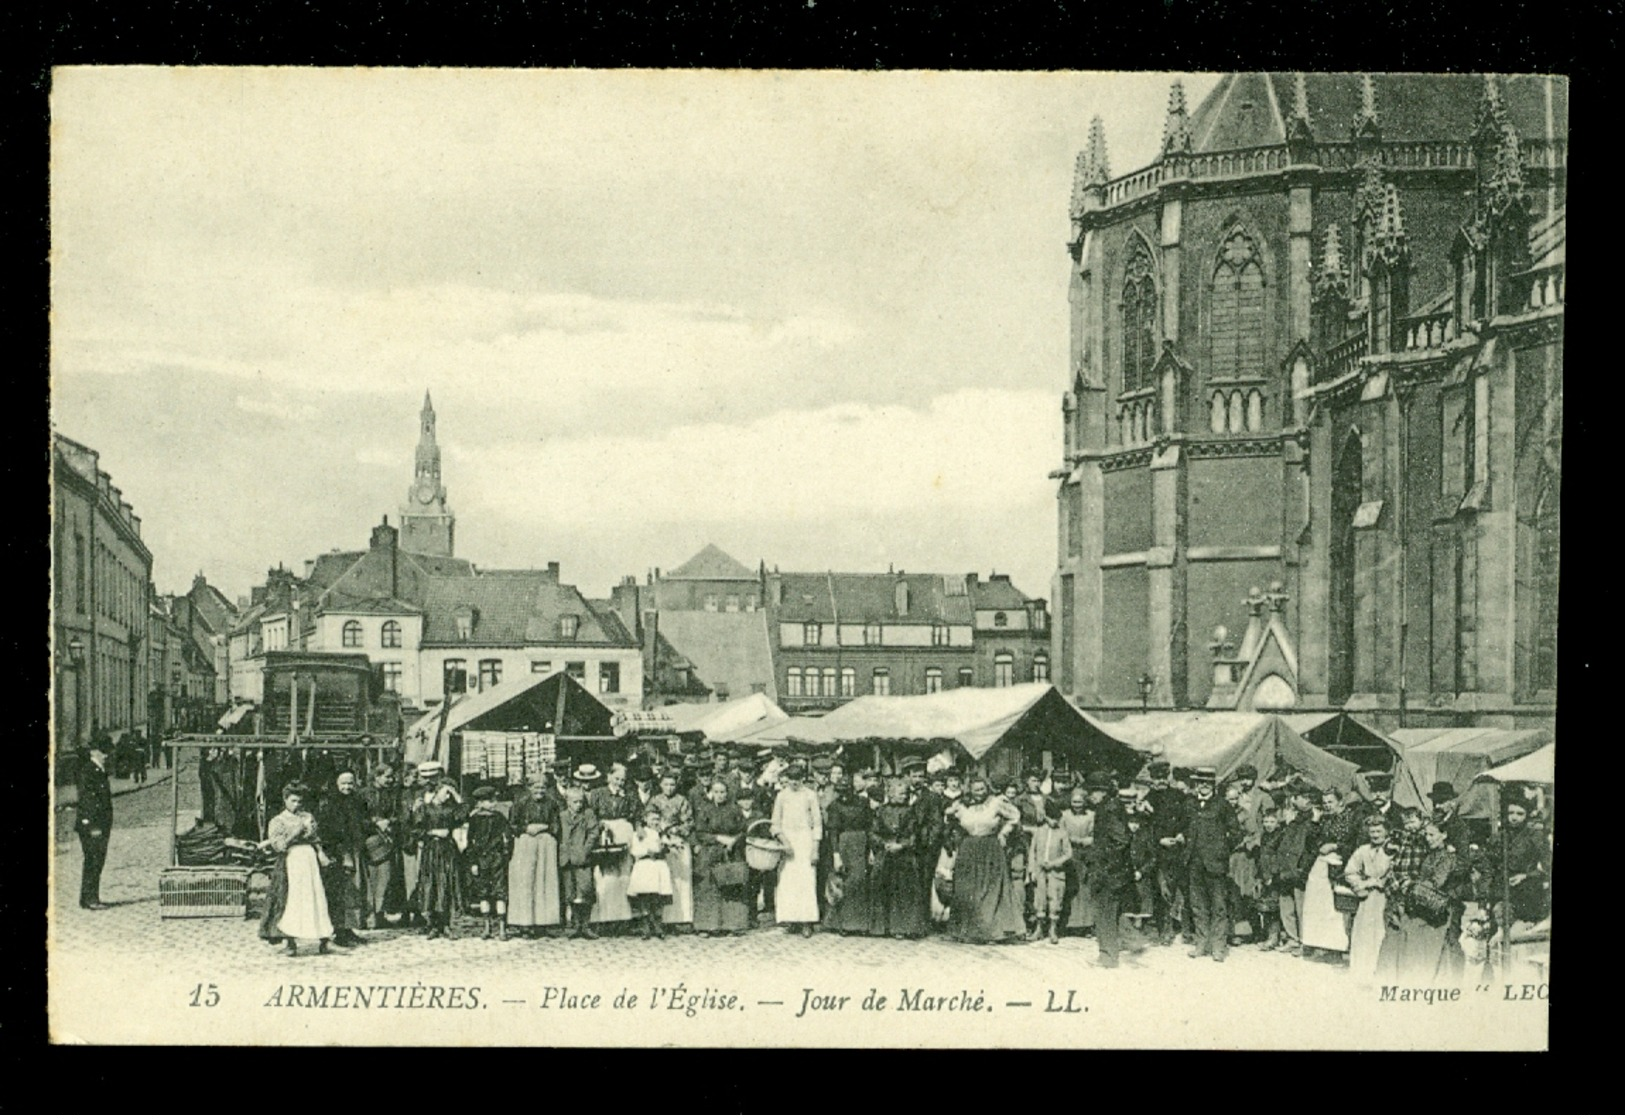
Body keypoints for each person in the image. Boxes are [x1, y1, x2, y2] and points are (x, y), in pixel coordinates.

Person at [1379, 816, 1467, 983]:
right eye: (1426, 835)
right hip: (1424, 902)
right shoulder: (1430, 854)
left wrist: (1411, 885)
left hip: (1438, 906)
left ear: (1444, 835)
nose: (1428, 838)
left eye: (1432, 835)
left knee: (1418, 937)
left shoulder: (1447, 857)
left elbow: (1436, 882)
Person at [944, 777, 1025, 944]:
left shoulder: (996, 802)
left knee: (990, 890)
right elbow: (948, 817)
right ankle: (967, 931)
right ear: (970, 790)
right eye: (976, 789)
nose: (979, 793)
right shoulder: (961, 805)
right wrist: (955, 832)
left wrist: (1004, 832)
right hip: (968, 848)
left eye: (982, 789)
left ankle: (992, 932)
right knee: (968, 890)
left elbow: (1015, 815)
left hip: (990, 847)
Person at [265, 782, 334, 956]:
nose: (297, 805)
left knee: (317, 896)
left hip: (309, 860)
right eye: (293, 801)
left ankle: (324, 940)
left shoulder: (307, 816)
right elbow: (279, 846)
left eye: (299, 802)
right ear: (285, 800)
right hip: (291, 860)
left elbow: (315, 838)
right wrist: (295, 833)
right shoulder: (278, 821)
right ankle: (290, 942)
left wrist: (320, 852)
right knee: (292, 899)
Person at [1186, 767, 1240, 962]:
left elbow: (1235, 833)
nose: (1204, 785)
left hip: (1215, 864)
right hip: (1194, 863)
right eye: (1201, 782)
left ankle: (1218, 947)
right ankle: (1201, 944)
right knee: (1198, 906)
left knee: (1218, 906)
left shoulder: (1223, 805)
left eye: (1207, 782)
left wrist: (1222, 851)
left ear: (1213, 785)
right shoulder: (1190, 803)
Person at [315, 770, 370, 948]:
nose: (347, 787)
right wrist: (342, 853)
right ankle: (339, 931)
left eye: (350, 783)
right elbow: (328, 832)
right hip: (339, 855)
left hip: (355, 851)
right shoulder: (330, 805)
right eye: (343, 783)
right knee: (340, 892)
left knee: (355, 891)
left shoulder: (358, 802)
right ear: (336, 785)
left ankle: (349, 929)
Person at [409, 766, 465, 940]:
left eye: (447, 792)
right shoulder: (425, 808)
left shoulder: (451, 809)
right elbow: (415, 829)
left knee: (447, 883)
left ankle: (446, 924)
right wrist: (431, 833)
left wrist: (456, 796)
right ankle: (432, 924)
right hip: (431, 849)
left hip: (447, 848)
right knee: (430, 884)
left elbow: (463, 815)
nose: (445, 795)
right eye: (443, 792)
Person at [1300, 788, 1355, 960]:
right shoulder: (1324, 819)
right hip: (1320, 865)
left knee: (1334, 908)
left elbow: (1353, 843)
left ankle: (1335, 948)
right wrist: (1315, 820)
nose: (1327, 806)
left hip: (1337, 865)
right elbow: (1311, 842)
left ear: (1340, 801)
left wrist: (1335, 846)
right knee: (1317, 905)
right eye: (1325, 803)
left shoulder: (1350, 818)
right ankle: (1318, 944)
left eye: (1331, 802)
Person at [869, 777, 927, 939]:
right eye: (901, 793)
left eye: (906, 793)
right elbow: (873, 832)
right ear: (891, 794)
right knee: (883, 888)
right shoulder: (881, 811)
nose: (904, 796)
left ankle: (903, 927)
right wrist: (883, 843)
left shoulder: (911, 811)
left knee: (904, 891)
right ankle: (883, 927)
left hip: (905, 856)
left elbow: (915, 833)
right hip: (885, 854)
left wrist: (902, 845)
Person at [770, 761, 823, 938]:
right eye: (791, 779)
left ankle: (807, 921)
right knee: (788, 881)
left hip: (805, 841)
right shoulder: (781, 796)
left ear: (803, 779)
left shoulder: (810, 795)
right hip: (787, 842)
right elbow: (775, 823)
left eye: (797, 779)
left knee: (806, 881)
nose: (794, 782)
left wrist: (815, 848)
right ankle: (791, 919)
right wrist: (784, 842)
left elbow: (817, 823)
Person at [692, 778, 751, 936]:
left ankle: (733, 925)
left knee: (732, 887)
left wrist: (733, 840)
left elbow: (743, 830)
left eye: (722, 792)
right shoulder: (705, 809)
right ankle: (707, 926)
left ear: (727, 793)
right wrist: (717, 838)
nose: (719, 795)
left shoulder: (734, 810)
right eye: (716, 792)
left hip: (731, 853)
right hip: (710, 853)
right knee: (708, 888)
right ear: (711, 793)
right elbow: (700, 832)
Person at [1085, 772, 1132, 967]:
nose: (1090, 796)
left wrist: (1105, 864)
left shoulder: (1109, 809)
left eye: (1092, 792)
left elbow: (1121, 839)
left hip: (1109, 872)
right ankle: (1109, 953)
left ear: (1101, 792)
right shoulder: (1110, 806)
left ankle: (1108, 957)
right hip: (1111, 871)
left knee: (1105, 914)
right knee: (1108, 914)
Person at [508, 773, 562, 937]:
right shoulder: (520, 804)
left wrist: (546, 828)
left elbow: (556, 824)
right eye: (536, 787)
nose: (540, 790)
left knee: (544, 881)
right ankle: (525, 924)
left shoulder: (552, 803)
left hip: (546, 844)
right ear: (529, 788)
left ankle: (543, 923)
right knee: (526, 881)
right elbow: (512, 825)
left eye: (543, 787)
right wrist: (526, 829)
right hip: (526, 843)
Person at [821, 772, 874, 934]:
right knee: (843, 883)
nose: (843, 795)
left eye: (846, 791)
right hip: (844, 844)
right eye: (840, 791)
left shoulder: (863, 803)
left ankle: (860, 924)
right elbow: (833, 832)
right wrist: (836, 855)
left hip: (861, 843)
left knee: (860, 882)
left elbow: (870, 826)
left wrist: (871, 850)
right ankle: (841, 924)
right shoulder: (835, 806)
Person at [588, 762, 638, 931]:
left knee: (624, 875)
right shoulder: (597, 794)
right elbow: (590, 816)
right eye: (616, 778)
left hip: (625, 834)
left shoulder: (630, 795)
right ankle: (603, 918)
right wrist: (601, 824)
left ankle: (622, 918)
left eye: (622, 780)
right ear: (608, 777)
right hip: (605, 835)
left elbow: (636, 815)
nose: (619, 783)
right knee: (605, 876)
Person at [1142, 761, 1188, 945]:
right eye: (1156, 778)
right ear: (1152, 779)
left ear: (1168, 776)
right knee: (1161, 891)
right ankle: (1164, 929)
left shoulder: (1178, 796)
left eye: (1163, 777)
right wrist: (1159, 840)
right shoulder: (1148, 798)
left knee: (1180, 889)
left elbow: (1186, 818)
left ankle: (1184, 929)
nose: (1160, 781)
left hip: (1178, 850)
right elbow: (1146, 829)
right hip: (1158, 852)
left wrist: (1181, 834)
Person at [1228, 764, 1275, 946]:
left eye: (1248, 778)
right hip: (1236, 852)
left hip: (1254, 851)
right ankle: (1238, 931)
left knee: (1252, 891)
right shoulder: (1234, 797)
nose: (1244, 782)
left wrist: (1255, 841)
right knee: (1235, 890)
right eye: (1242, 778)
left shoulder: (1264, 797)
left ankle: (1258, 931)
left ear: (1254, 779)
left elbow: (1269, 824)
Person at [1344, 816, 1394, 982]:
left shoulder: (1393, 849)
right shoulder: (1363, 850)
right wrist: (1359, 885)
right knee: (1363, 932)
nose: (1375, 835)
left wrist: (1380, 882)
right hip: (1367, 898)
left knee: (1381, 932)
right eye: (1372, 831)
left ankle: (1380, 972)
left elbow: (1396, 870)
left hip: (1385, 895)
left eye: (1379, 831)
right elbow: (1350, 871)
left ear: (1386, 831)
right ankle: (1361, 972)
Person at [1272, 782, 1320, 955]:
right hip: (1286, 868)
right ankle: (1293, 938)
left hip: (1300, 870)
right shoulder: (1295, 819)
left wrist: (1302, 869)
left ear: (1307, 799)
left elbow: (1312, 846)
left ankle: (1305, 942)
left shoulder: (1314, 819)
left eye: (1296, 797)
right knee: (1287, 906)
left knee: (1302, 909)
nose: (1293, 800)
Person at [463, 786, 513, 940]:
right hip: (481, 859)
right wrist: (473, 863)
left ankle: (502, 928)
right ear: (480, 802)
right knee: (483, 893)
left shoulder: (499, 818)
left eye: (494, 800)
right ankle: (487, 927)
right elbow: (470, 842)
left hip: (497, 859)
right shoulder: (474, 819)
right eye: (489, 801)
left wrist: (505, 855)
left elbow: (508, 837)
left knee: (500, 893)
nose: (493, 803)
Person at [647, 772, 694, 929]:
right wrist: (660, 830)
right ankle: (664, 919)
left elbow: (688, 822)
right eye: (666, 784)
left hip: (679, 840)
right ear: (660, 785)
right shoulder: (654, 800)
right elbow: (648, 818)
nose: (669, 788)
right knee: (666, 879)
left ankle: (683, 918)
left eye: (672, 784)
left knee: (682, 879)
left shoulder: (682, 800)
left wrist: (675, 830)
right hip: (662, 841)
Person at [360, 766, 403, 927]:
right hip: (369, 842)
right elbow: (359, 817)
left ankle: (379, 915)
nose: (390, 780)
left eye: (391, 777)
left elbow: (399, 815)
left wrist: (389, 822)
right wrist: (375, 822)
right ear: (376, 777)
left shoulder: (392, 794)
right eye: (387, 777)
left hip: (387, 841)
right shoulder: (363, 794)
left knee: (384, 879)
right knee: (370, 880)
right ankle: (368, 916)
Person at [1027, 797, 1073, 944]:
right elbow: (1032, 852)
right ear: (1046, 817)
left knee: (1055, 899)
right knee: (1039, 899)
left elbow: (1068, 854)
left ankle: (1053, 930)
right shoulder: (1039, 831)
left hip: (1056, 871)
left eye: (1056, 818)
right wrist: (1032, 870)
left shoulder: (1062, 833)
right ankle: (1039, 929)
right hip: (1040, 871)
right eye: (1051, 818)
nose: (1054, 821)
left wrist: (1054, 863)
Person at [558, 780, 601, 939]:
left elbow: (593, 833)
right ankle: (576, 924)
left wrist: (585, 850)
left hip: (583, 858)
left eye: (580, 802)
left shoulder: (588, 814)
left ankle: (586, 925)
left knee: (585, 890)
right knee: (571, 892)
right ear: (568, 802)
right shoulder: (562, 816)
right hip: (567, 859)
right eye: (575, 802)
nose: (578, 805)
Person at [1499, 796, 1552, 926]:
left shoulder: (1535, 836)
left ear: (1527, 815)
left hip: (1529, 891)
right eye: (1510, 813)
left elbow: (1548, 867)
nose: (1514, 817)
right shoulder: (1501, 835)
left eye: (1520, 813)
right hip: (1503, 888)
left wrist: (1526, 876)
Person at [75, 739, 114, 910]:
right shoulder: (89, 771)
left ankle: (89, 897)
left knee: (97, 860)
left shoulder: (98, 769)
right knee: (93, 860)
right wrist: (94, 827)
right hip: (93, 826)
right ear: (94, 752)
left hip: (99, 825)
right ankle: (90, 899)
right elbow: (88, 801)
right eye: (104, 752)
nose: (107, 756)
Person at [628, 806, 675, 939]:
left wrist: (665, 843)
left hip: (659, 866)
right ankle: (645, 925)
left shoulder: (662, 833)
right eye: (653, 819)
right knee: (645, 896)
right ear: (646, 819)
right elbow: (635, 850)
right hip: (645, 865)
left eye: (658, 819)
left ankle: (657, 924)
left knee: (658, 896)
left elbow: (667, 846)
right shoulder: (640, 833)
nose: (656, 822)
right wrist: (648, 851)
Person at [1060, 788, 1096, 935]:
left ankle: (1086, 924)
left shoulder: (1091, 816)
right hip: (1069, 854)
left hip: (1086, 854)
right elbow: (1061, 834)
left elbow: (1094, 834)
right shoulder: (1065, 816)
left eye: (1080, 802)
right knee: (1070, 888)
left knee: (1085, 888)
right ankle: (1068, 924)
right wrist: (1069, 840)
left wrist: (1084, 841)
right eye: (1074, 802)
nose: (1077, 805)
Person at [1255, 806, 1286, 950]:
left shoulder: (1280, 836)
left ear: (1278, 823)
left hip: (1275, 876)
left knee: (1273, 907)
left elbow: (1278, 857)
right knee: (1266, 906)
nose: (1268, 825)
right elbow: (1261, 857)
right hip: (1265, 874)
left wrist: (1272, 875)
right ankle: (1270, 935)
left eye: (1271, 822)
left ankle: (1274, 937)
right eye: (1266, 821)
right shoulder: (1264, 836)